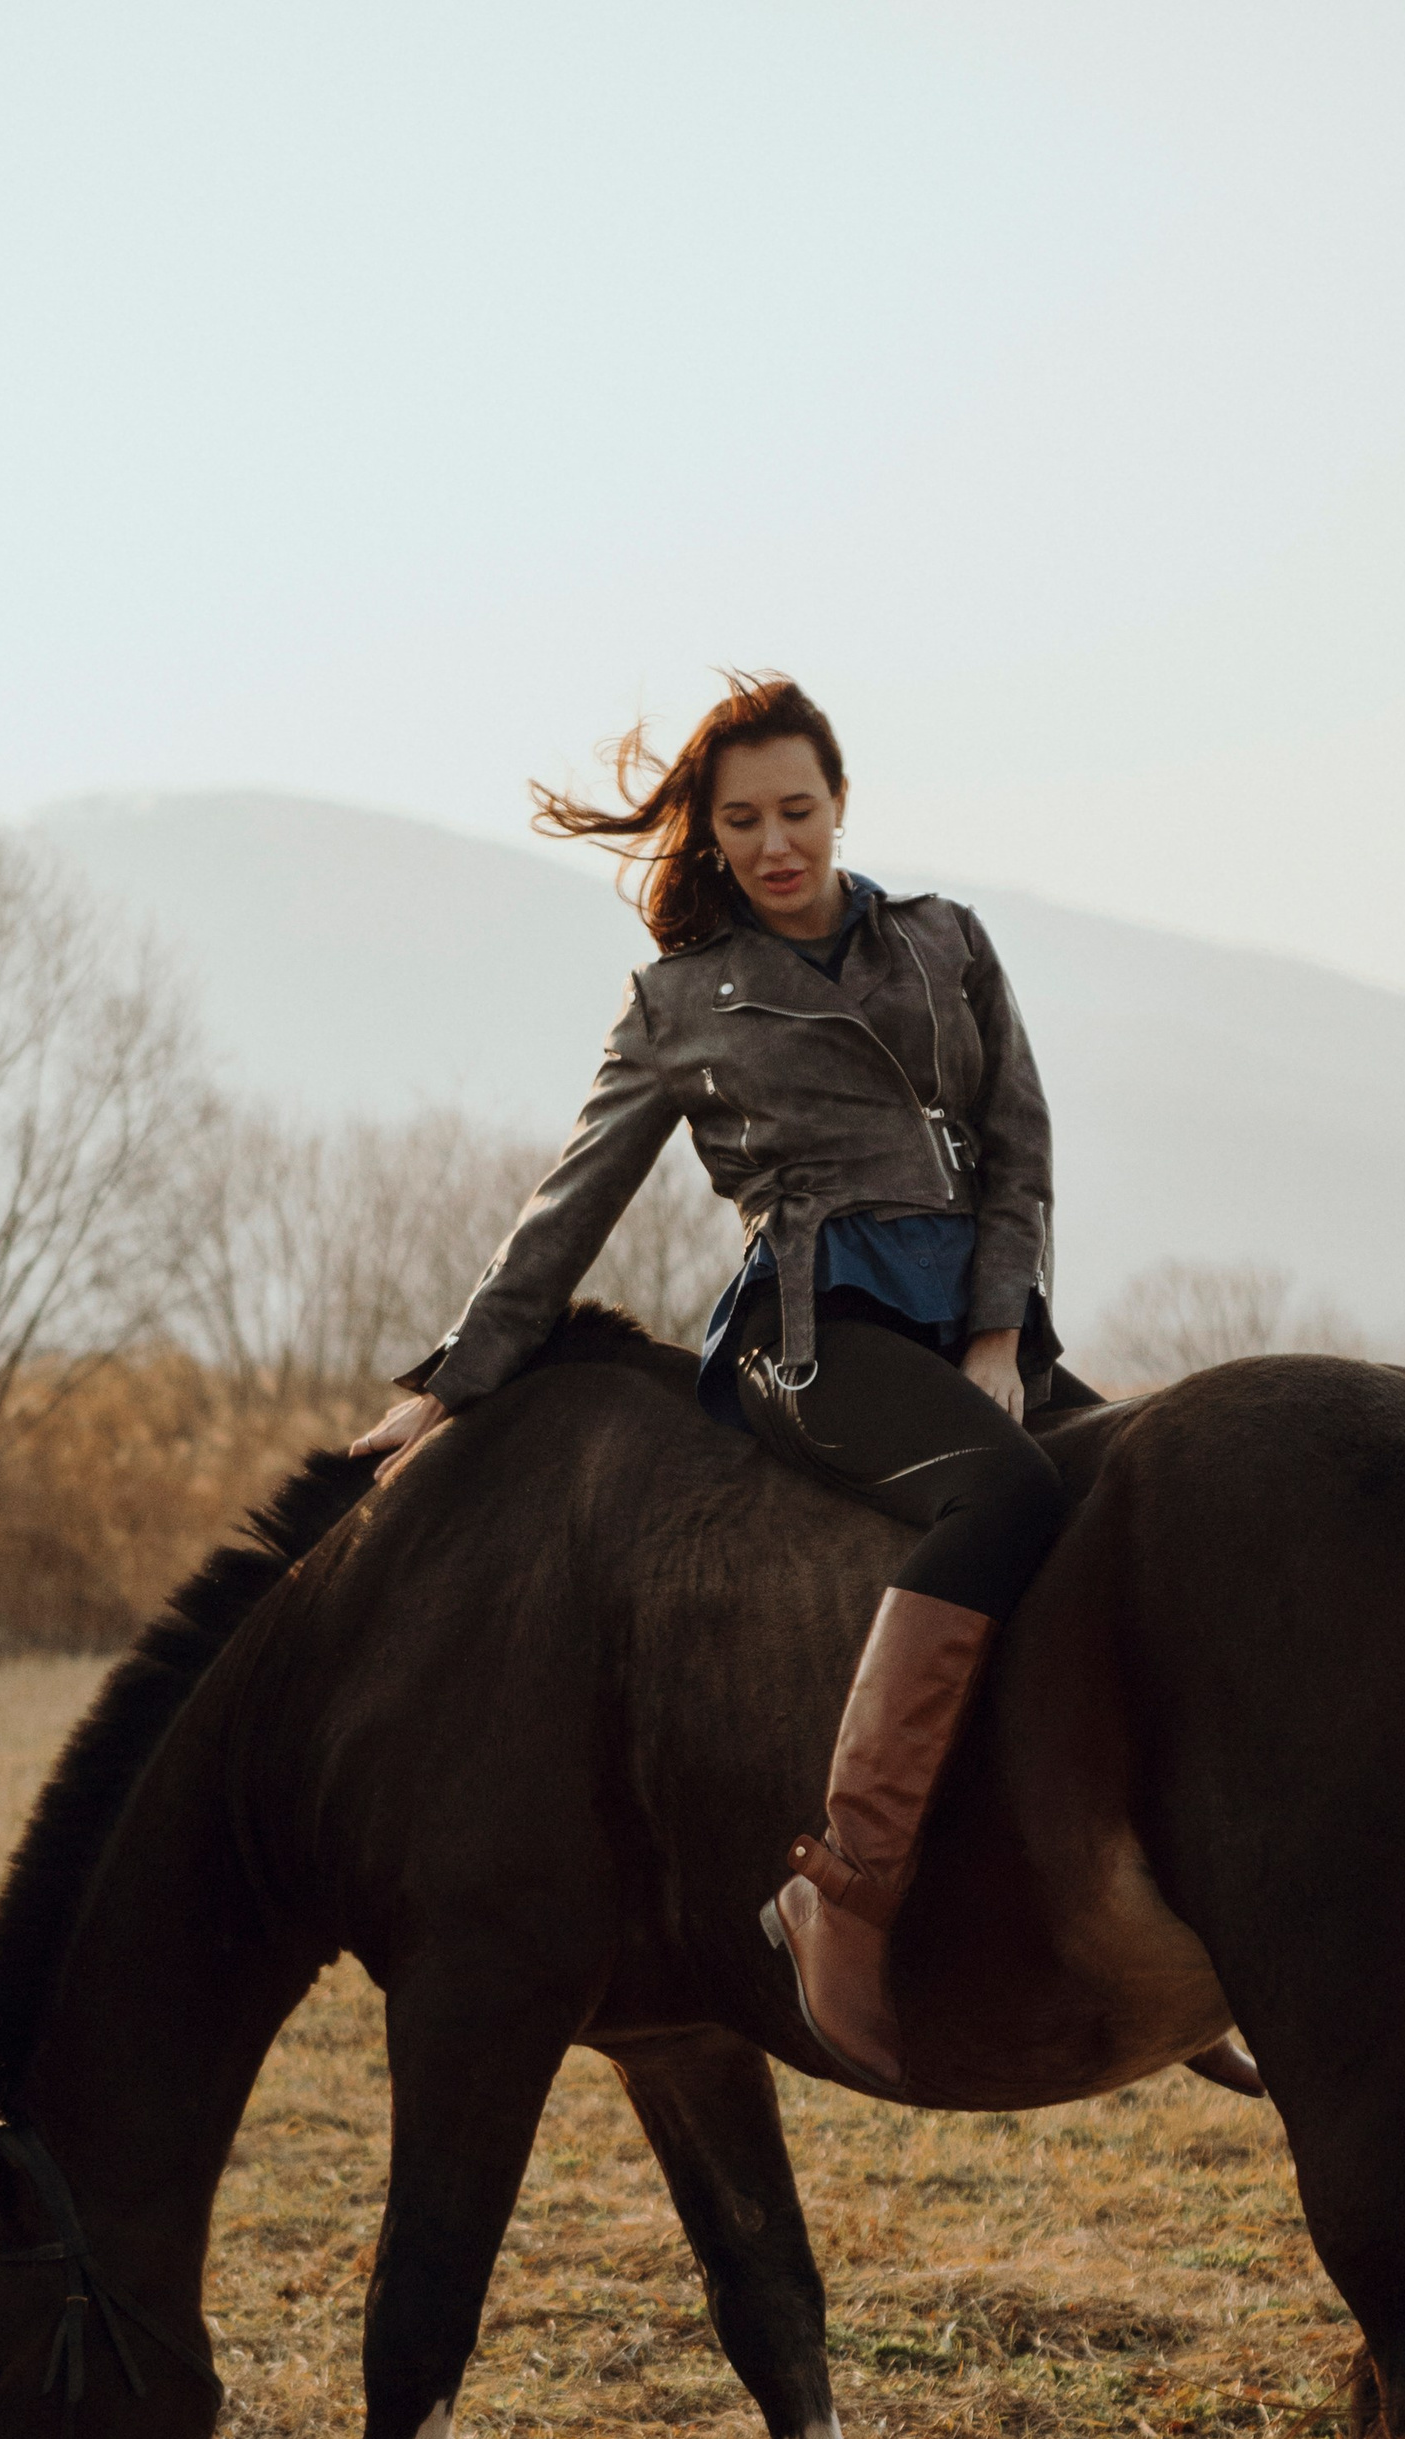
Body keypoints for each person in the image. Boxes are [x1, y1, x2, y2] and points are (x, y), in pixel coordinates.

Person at [354, 672, 1076, 2094]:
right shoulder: (679, 1001)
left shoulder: (946, 939)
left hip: (973, 1321)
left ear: (841, 802)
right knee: (1002, 1495)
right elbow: (569, 1208)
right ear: (714, 833)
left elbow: (1020, 1145)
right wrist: (453, 1383)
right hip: (812, 1334)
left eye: (797, 809)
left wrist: (1001, 1336)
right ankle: (846, 1883)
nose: (774, 843)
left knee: (1122, 1493)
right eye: (742, 821)